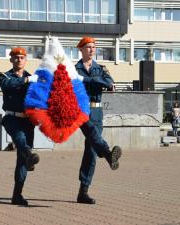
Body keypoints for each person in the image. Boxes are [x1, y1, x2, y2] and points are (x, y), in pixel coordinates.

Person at [74, 36, 122, 204]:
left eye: (93, 47)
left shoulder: (101, 68)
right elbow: (74, 85)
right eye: (88, 47)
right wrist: (98, 82)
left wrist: (88, 80)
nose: (92, 50)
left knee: (91, 150)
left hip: (97, 110)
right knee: (94, 135)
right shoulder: (74, 69)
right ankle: (108, 154)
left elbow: (110, 83)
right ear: (80, 49)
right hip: (81, 110)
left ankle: (83, 192)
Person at [0, 47, 39, 206]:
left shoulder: (32, 77)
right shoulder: (5, 76)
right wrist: (27, 81)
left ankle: (17, 195)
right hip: (11, 118)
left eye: (22, 57)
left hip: (28, 120)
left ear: (25, 60)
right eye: (16, 57)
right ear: (11, 60)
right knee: (21, 141)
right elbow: (8, 85)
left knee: (22, 159)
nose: (19, 60)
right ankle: (29, 154)